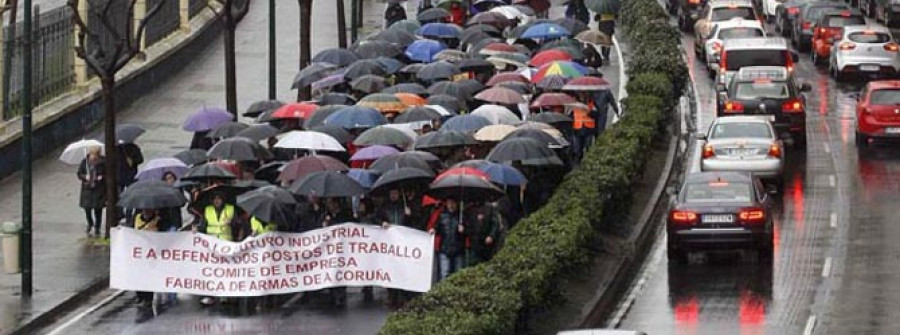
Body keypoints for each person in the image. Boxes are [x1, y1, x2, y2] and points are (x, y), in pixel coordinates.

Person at [199, 193, 235, 305]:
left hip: (226, 242)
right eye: (214, 198)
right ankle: (209, 295)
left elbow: (238, 224)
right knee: (211, 270)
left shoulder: (230, 209)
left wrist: (231, 222)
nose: (217, 200)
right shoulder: (208, 210)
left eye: (219, 198)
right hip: (211, 243)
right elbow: (203, 225)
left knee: (224, 269)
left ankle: (224, 294)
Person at [321, 198, 353, 307]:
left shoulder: (345, 215)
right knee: (331, 270)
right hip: (330, 250)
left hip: (342, 249)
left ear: (336, 204)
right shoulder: (326, 216)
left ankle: (340, 294)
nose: (328, 206)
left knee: (341, 270)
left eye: (330, 203)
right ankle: (333, 293)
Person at [428, 199, 468, 281]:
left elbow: (470, 231)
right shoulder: (442, 216)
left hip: (458, 249)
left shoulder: (462, 216)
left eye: (453, 202)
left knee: (459, 275)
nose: (451, 205)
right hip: (444, 249)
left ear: (456, 204)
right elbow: (437, 228)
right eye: (449, 203)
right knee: (444, 274)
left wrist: (464, 230)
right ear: (446, 204)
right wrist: (433, 230)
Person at [133, 208, 161, 321]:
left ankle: (148, 298)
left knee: (149, 277)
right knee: (138, 276)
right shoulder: (136, 218)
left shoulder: (158, 220)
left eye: (149, 210)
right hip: (139, 253)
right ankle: (140, 296)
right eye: (145, 211)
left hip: (152, 253)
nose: (147, 212)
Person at [78, 147, 106, 237]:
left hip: (98, 189)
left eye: (96, 155)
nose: (94, 157)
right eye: (92, 154)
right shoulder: (84, 162)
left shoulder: (103, 162)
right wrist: (85, 177)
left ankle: (97, 227)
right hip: (87, 190)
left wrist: (101, 177)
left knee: (98, 210)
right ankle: (90, 223)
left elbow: (107, 173)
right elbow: (79, 173)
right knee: (87, 209)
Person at [118, 142, 144, 224]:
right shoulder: (117, 149)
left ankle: (129, 214)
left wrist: (132, 159)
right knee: (119, 196)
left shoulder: (134, 148)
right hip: (119, 176)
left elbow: (140, 160)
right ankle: (120, 213)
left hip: (131, 176)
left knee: (131, 196)